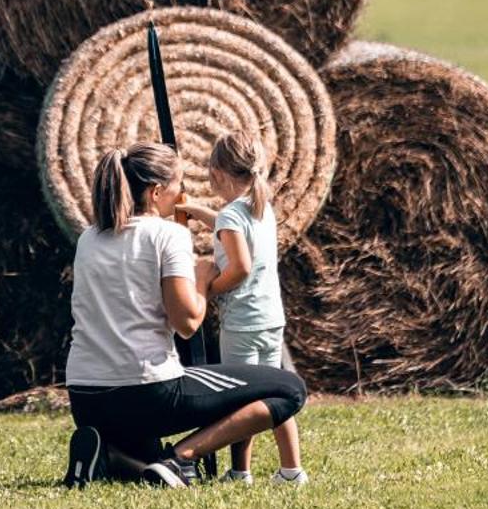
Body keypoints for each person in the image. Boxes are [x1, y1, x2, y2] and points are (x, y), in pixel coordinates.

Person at [63, 140, 306, 489]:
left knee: (142, 456)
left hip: (86, 399)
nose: (182, 193)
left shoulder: (89, 238)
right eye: (178, 184)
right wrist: (204, 278)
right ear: (157, 191)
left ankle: (111, 457)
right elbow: (188, 323)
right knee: (289, 390)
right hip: (147, 393)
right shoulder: (168, 235)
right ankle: (179, 459)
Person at [179, 131, 308, 486]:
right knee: (277, 396)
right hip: (270, 319)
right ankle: (291, 470)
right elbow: (227, 224)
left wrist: (208, 287)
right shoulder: (260, 207)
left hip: (243, 323)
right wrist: (195, 211)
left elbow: (240, 267)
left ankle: (239, 472)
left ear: (217, 174)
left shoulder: (231, 216)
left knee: (239, 399)